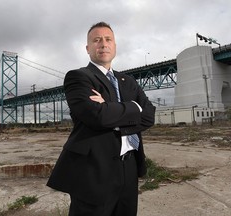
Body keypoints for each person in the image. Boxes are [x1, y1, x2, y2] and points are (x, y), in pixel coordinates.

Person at [47, 21, 156, 216]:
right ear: (88, 48)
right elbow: (96, 116)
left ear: (114, 46)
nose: (103, 44)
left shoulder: (128, 81)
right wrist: (133, 108)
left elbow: (149, 116)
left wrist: (110, 111)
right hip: (94, 169)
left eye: (108, 39)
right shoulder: (78, 77)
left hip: (129, 165)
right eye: (96, 40)